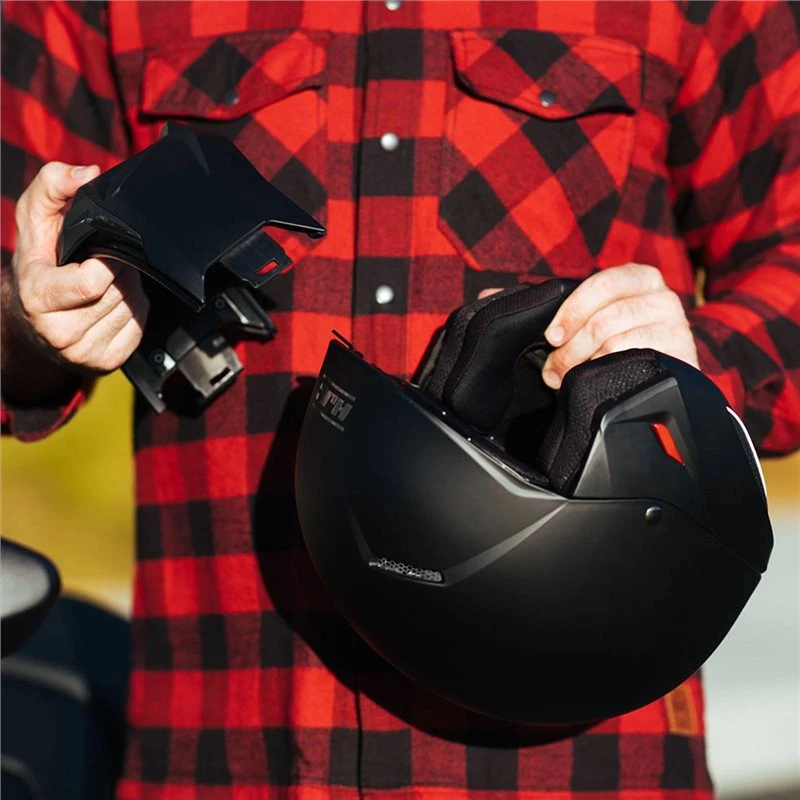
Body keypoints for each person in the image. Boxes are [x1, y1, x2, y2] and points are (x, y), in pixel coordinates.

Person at [2, 1, 799, 797]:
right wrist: (29, 315)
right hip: (225, 747)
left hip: (575, 765)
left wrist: (683, 383)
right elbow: (18, 269)